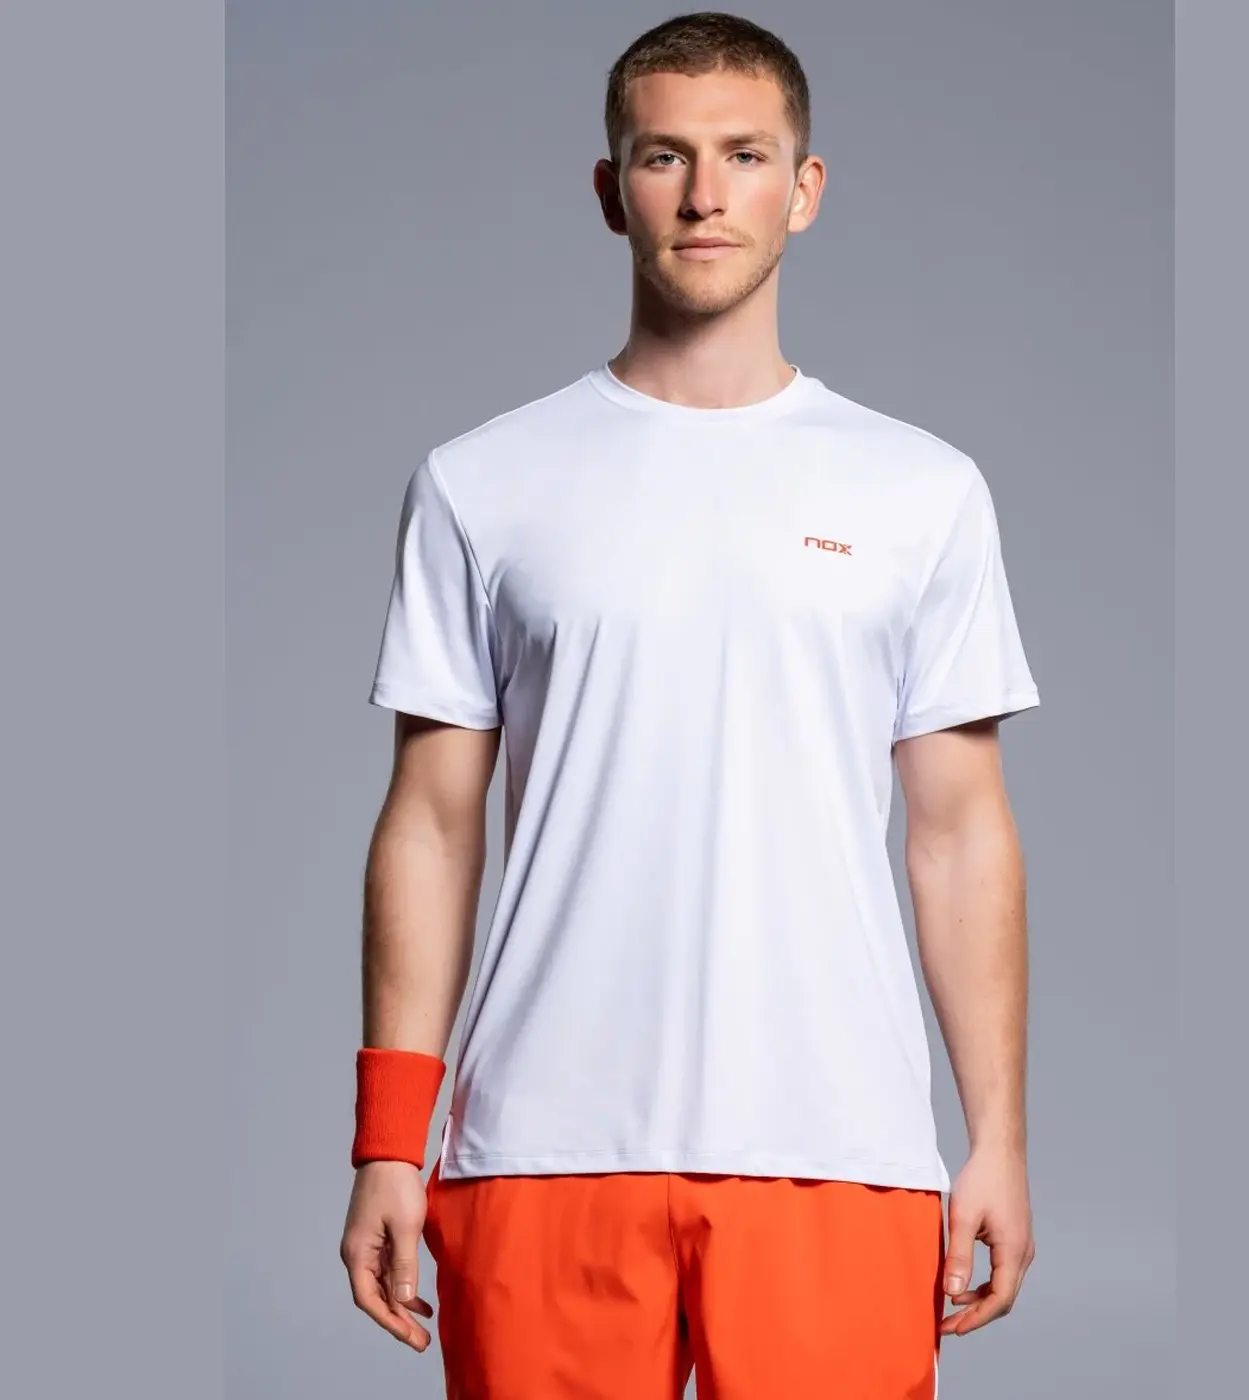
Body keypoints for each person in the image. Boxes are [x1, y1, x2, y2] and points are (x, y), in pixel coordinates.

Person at [339, 11, 1041, 1398]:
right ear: (613, 191)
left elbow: (961, 834)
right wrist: (385, 1141)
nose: (706, 195)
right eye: (666, 157)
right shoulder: (483, 482)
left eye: (745, 155)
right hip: (539, 1147)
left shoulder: (922, 490)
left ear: (805, 188)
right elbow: (430, 826)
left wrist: (999, 1138)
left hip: (837, 1147)